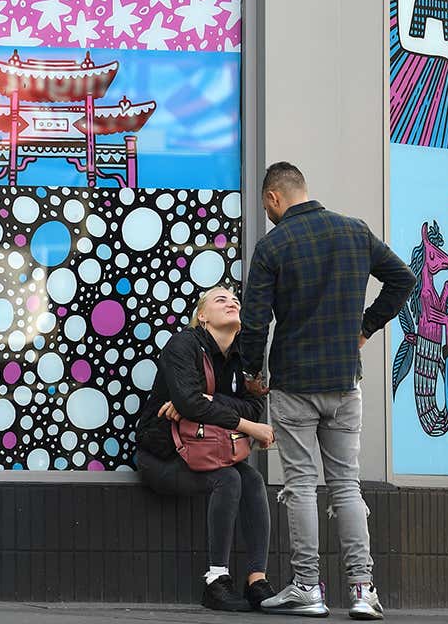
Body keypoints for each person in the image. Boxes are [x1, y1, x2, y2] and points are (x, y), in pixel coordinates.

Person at [240, 162, 414, 620]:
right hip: (343, 382)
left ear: (274, 197)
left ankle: (306, 588)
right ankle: (361, 589)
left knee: (300, 486)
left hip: (294, 384)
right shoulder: (355, 231)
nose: (269, 214)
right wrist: (366, 327)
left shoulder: (272, 245)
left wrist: (250, 372)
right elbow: (404, 279)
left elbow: (255, 322)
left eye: (266, 206)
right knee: (346, 485)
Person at [135, 286, 277, 612]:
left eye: (235, 300)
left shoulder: (247, 354)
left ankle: (257, 581)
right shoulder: (183, 345)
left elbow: (255, 405)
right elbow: (190, 402)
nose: (231, 303)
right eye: (220, 299)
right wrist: (246, 426)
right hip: (164, 455)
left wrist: (209, 401)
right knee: (229, 480)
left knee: (252, 480)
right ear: (202, 316)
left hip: (210, 451)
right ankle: (215, 581)